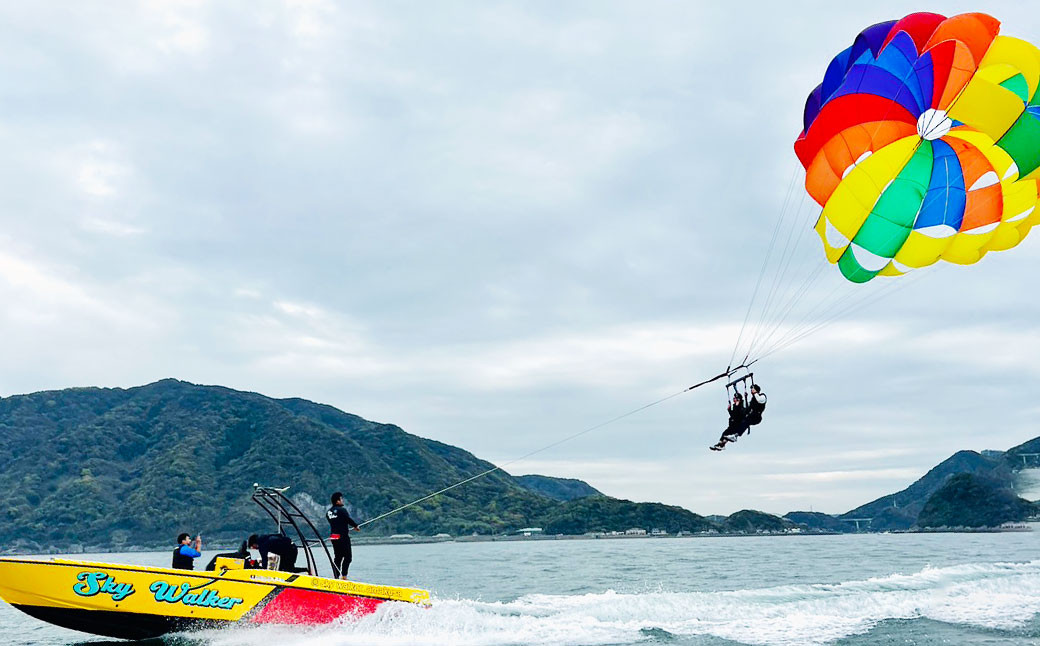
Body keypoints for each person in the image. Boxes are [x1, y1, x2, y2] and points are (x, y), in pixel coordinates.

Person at [326, 491, 360, 579]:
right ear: (337, 501)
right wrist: (355, 526)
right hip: (342, 536)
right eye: (341, 499)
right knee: (348, 557)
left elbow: (336, 522)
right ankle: (344, 576)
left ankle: (336, 576)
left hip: (334, 537)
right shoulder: (342, 510)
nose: (342, 501)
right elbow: (347, 519)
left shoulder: (328, 512)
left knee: (338, 557)